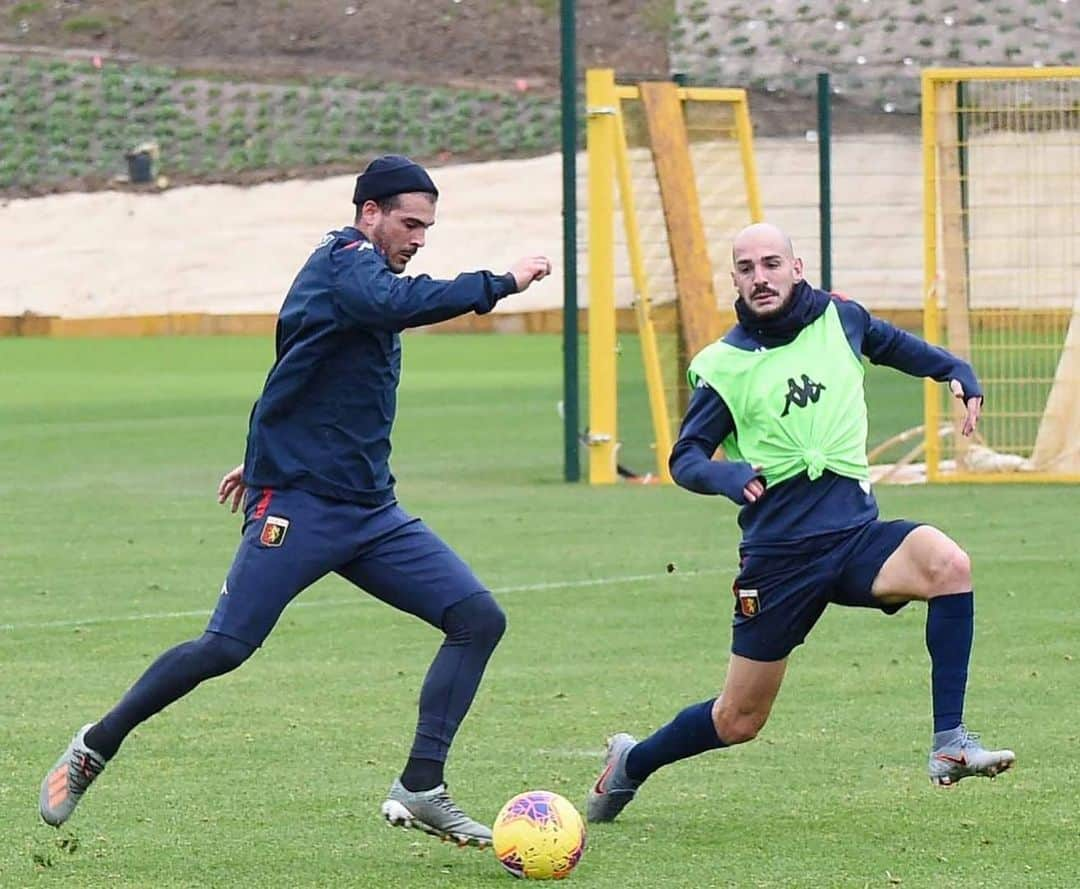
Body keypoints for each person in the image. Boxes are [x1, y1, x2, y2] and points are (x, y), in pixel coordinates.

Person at [40, 155, 552, 848]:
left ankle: (421, 785)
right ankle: (95, 744)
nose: (419, 238)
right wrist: (502, 281)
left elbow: (301, 365)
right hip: (303, 509)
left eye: (428, 227)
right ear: (368, 212)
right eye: (409, 223)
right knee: (225, 646)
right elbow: (396, 306)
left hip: (371, 512)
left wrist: (260, 455)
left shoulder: (358, 276)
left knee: (475, 617)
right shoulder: (347, 262)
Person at [587, 222, 1015, 824]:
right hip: (780, 557)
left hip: (857, 538)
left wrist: (957, 371)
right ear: (733, 279)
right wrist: (727, 475)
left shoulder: (843, 320)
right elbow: (684, 459)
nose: (759, 278)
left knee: (948, 564)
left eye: (770, 264)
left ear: (797, 267)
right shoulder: (725, 365)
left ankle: (950, 742)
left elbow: (899, 348)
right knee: (738, 720)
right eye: (745, 268)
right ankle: (632, 763)